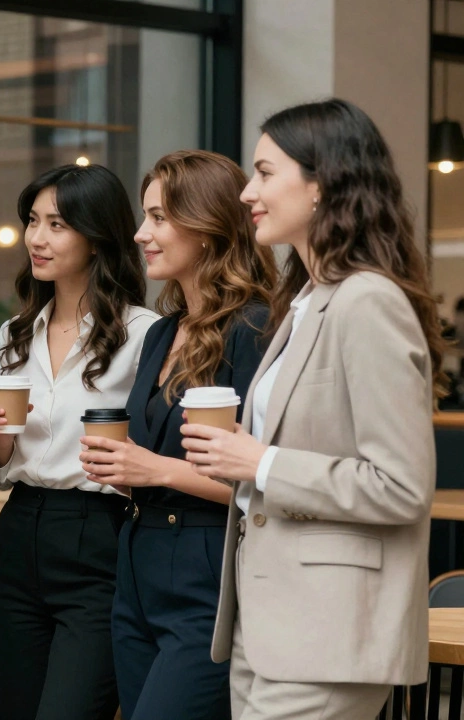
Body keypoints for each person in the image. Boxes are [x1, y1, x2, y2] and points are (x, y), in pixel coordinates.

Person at [181, 99, 445, 719]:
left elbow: (402, 486)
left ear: (323, 183)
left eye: (266, 173)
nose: (249, 191)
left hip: (329, 631)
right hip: (269, 627)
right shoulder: (305, 301)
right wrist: (243, 460)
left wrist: (261, 462)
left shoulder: (367, 302)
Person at [78, 150, 277, 720]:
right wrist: (123, 470)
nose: (142, 233)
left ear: (209, 226)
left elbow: (263, 476)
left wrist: (155, 470)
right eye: (146, 216)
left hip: (208, 578)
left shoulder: (256, 328)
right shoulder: (161, 333)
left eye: (160, 217)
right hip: (137, 570)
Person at [0, 164, 155, 720]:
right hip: (18, 530)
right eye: (33, 221)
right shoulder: (16, 333)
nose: (37, 238)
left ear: (97, 235)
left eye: (57, 224)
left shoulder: (144, 334)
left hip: (100, 534)